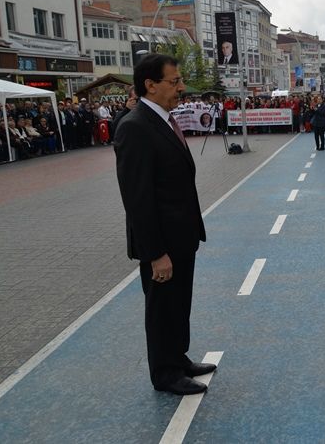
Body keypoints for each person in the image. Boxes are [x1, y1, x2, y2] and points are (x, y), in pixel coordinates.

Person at [113, 54, 214, 396]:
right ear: (150, 85)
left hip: (181, 236)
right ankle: (165, 373)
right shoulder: (135, 127)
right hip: (162, 244)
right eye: (175, 81)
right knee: (162, 309)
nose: (181, 87)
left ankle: (178, 358)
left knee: (179, 303)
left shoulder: (165, 120)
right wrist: (155, 253)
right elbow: (137, 199)